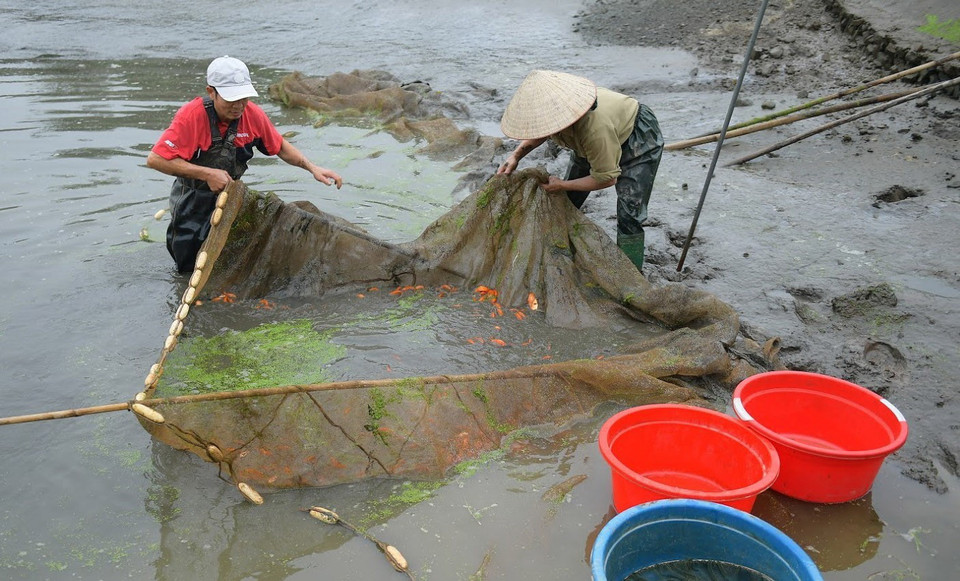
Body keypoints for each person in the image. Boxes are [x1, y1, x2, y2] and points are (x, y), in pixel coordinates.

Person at [147, 55, 343, 273]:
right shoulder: (191, 116)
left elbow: (279, 146)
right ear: (211, 92)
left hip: (229, 196)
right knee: (188, 263)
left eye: (243, 98)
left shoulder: (252, 115)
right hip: (192, 199)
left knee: (227, 257)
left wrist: (312, 168)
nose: (239, 106)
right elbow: (156, 159)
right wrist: (207, 174)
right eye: (231, 99)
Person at [496, 70, 662, 271]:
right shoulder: (558, 113)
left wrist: (563, 184)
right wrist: (516, 155)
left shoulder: (594, 130)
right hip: (589, 137)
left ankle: (631, 275)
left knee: (629, 212)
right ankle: (559, 251)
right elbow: (542, 130)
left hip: (638, 137)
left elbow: (607, 178)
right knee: (567, 200)